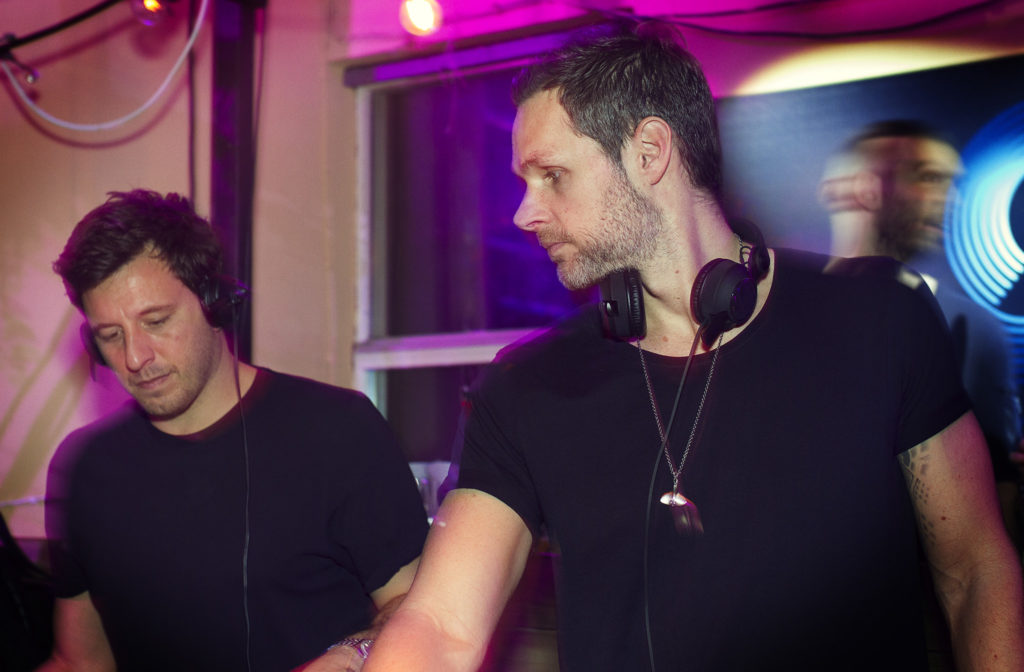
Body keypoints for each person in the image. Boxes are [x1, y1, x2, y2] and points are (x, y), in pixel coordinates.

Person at [363, 21, 1024, 672]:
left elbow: (975, 569)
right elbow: (441, 625)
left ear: (650, 152)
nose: (523, 213)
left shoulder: (879, 320)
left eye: (552, 175)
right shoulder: (524, 388)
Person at [40, 190, 429, 672]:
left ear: (214, 302)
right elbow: (80, 662)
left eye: (156, 321)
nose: (135, 357)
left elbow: (423, 615)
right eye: (111, 335)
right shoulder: (84, 467)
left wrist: (352, 654)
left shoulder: (339, 432)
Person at [821, 120, 1023, 552]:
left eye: (952, 183)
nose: (951, 199)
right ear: (864, 187)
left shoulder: (971, 327)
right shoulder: (784, 314)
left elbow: (996, 505)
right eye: (929, 177)